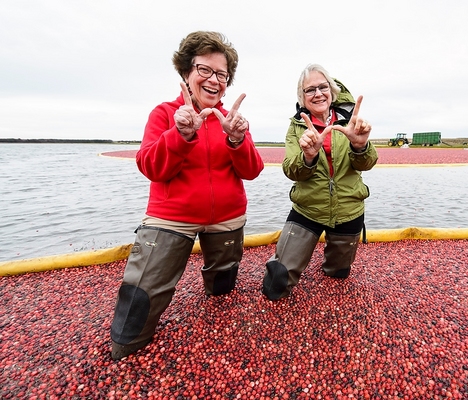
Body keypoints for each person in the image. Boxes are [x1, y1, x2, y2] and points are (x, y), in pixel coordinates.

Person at [110, 31, 264, 360]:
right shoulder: (164, 113)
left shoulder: (232, 120)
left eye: (221, 74)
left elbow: (252, 171)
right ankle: (126, 346)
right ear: (185, 72)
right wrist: (180, 133)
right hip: (170, 218)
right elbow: (151, 167)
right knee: (138, 305)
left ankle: (217, 306)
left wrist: (237, 139)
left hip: (227, 217)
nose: (214, 80)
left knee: (222, 288)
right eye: (204, 70)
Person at [262, 64, 378, 301]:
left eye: (322, 87)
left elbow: (367, 164)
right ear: (302, 97)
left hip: (348, 209)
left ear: (332, 91)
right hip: (307, 209)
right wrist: (308, 156)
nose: (318, 93)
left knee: (337, 275)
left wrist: (360, 145)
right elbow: (291, 171)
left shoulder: (350, 123)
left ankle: (333, 260)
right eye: (310, 90)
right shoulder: (296, 126)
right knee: (276, 285)